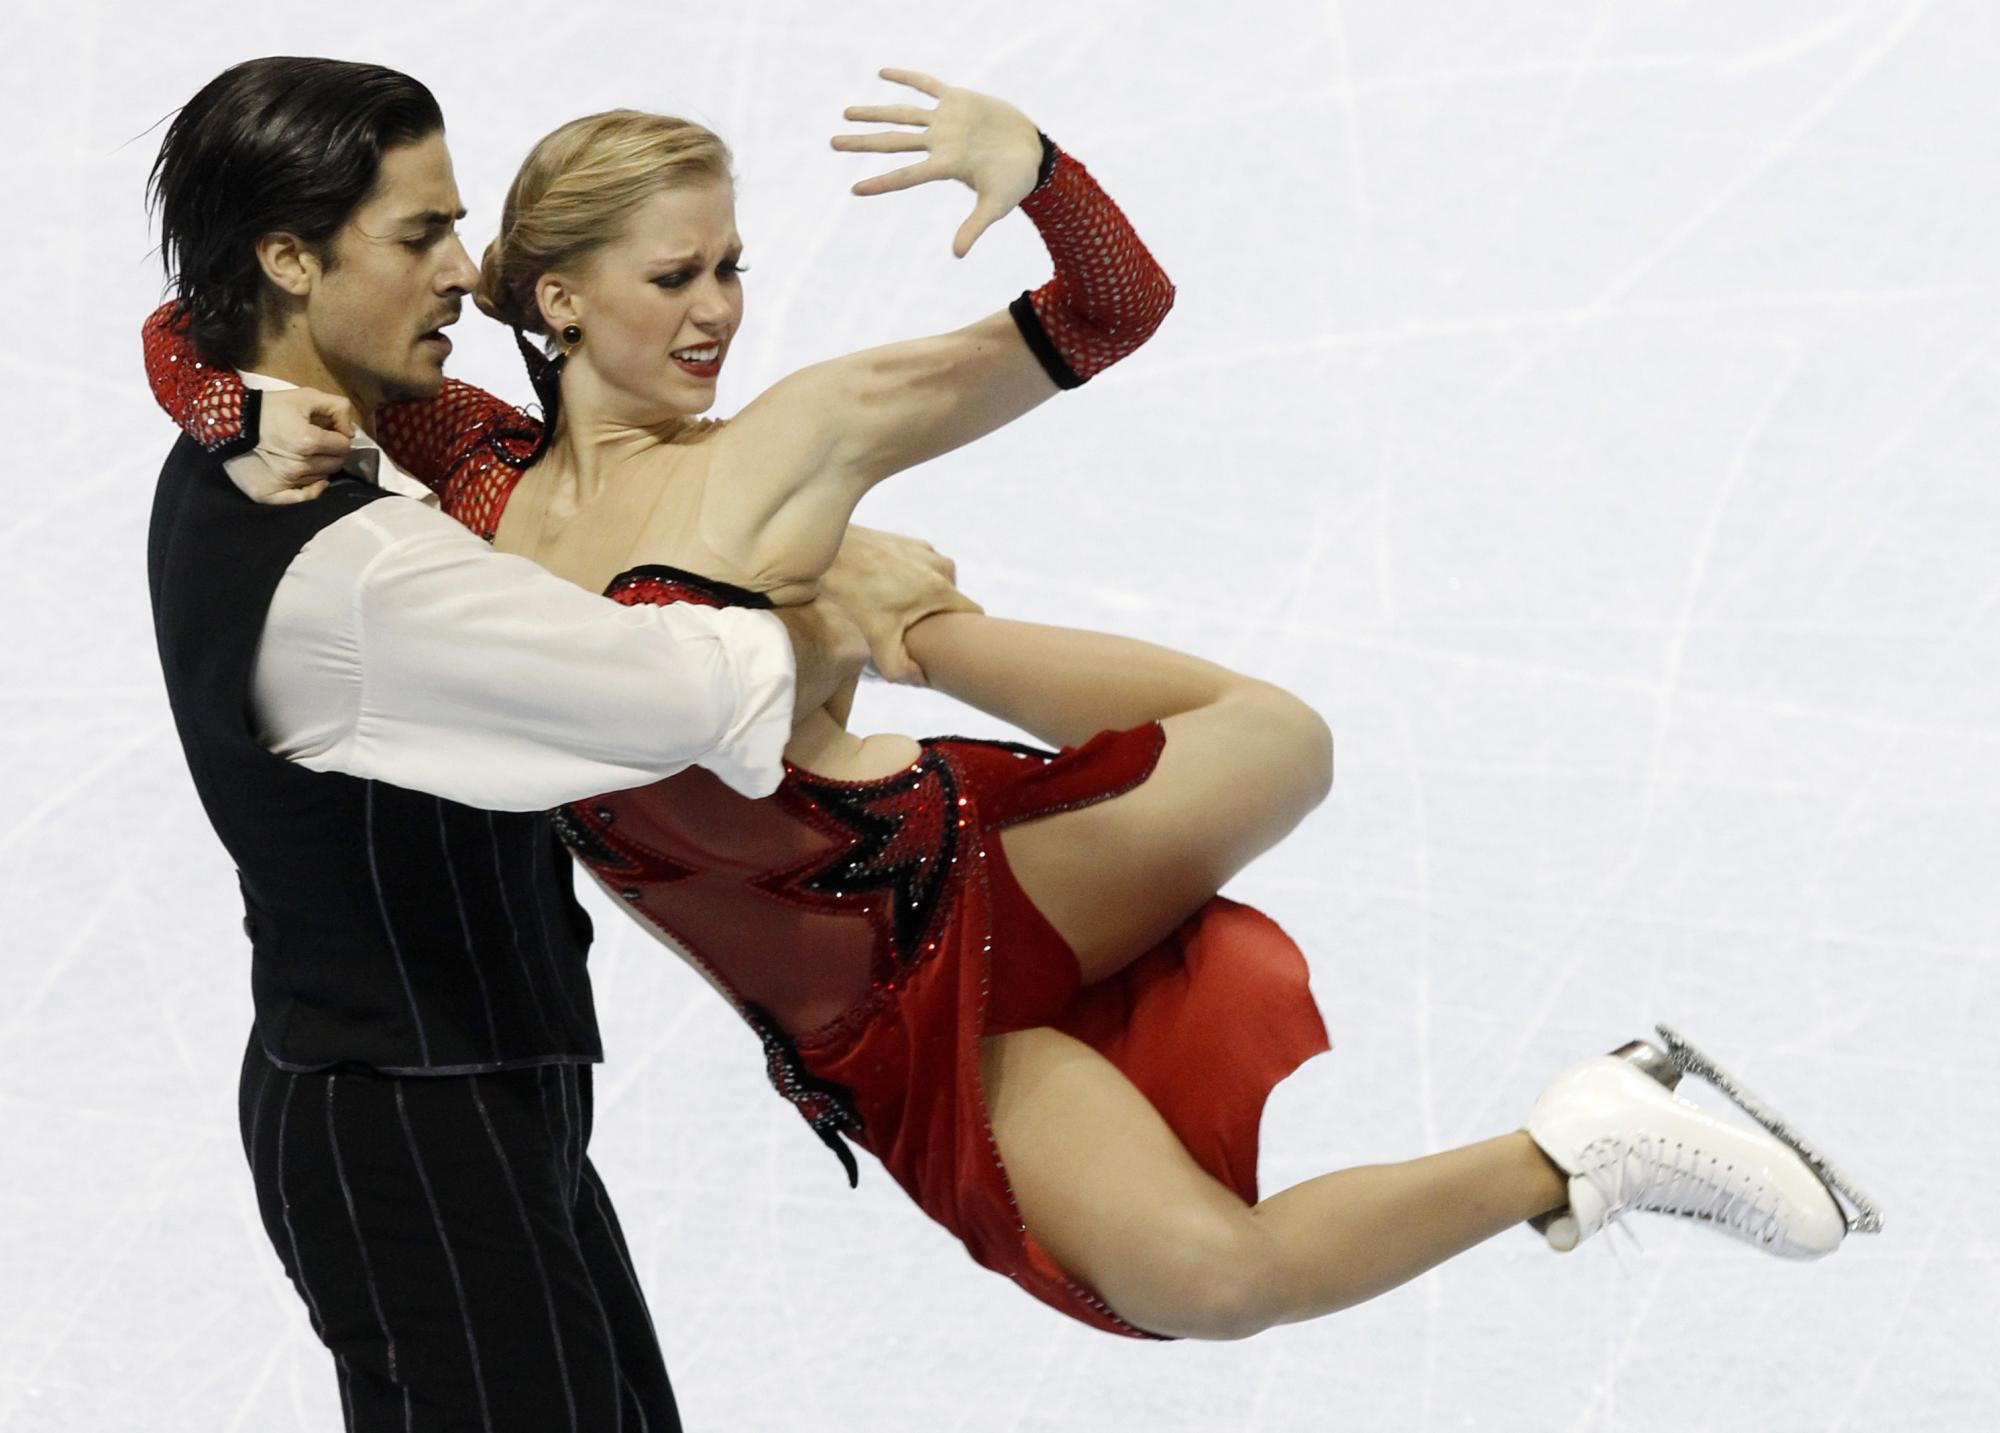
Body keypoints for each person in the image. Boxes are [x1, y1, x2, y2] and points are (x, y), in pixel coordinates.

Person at [147, 68, 1854, 1344]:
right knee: (1208, 1279)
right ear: (556, 295)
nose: (721, 311)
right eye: (676, 276)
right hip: (853, 1025)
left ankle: (940, 632)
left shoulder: (798, 431)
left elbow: (1112, 307)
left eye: (732, 268)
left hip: (941, 876)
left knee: (1286, 741)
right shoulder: (467, 468)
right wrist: (219, 402)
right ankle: (1585, 1143)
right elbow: (205, 310)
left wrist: (1033, 174)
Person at [142, 56, 972, 1431]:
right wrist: (833, 593)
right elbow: (679, 695)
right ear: (289, 259)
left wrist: (221, 395)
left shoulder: (320, 444)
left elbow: (185, 321)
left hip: (462, 1092)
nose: (466, 271)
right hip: (412, 1118)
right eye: (419, 236)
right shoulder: (356, 568)